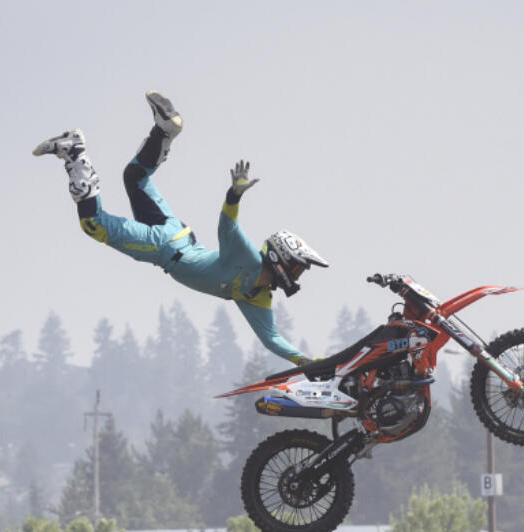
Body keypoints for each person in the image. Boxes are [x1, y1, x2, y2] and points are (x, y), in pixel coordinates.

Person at [33, 91, 329, 365]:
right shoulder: (249, 258)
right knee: (93, 225)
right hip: (164, 247)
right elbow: (227, 225)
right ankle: (75, 152)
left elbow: (272, 339)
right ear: (280, 259)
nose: (298, 275)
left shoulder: (258, 296)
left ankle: (164, 130)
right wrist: (234, 195)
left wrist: (307, 362)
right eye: (298, 267)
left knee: (134, 177)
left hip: (175, 233)